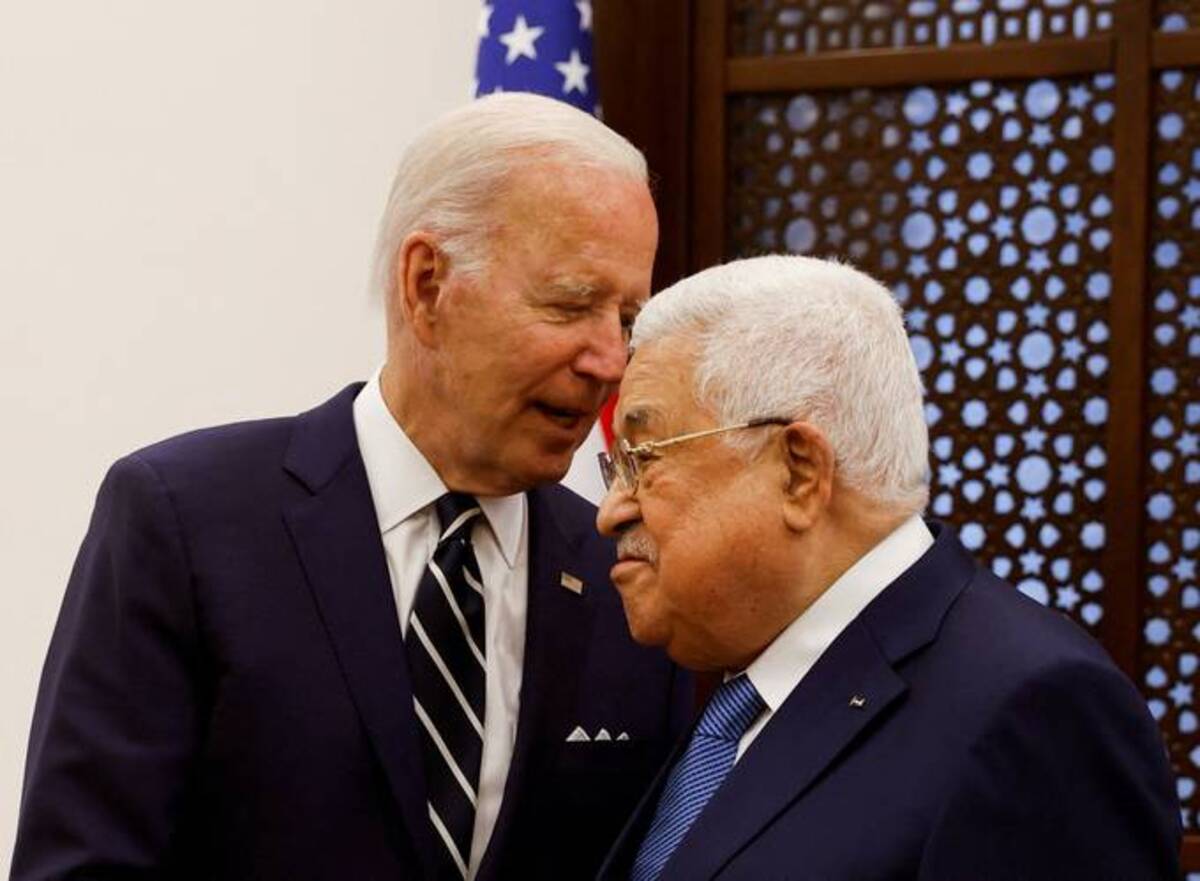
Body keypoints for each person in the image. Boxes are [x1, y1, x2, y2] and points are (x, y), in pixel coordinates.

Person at [12, 93, 691, 881]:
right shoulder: (183, 521)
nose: (610, 360)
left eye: (628, 318)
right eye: (572, 304)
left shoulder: (630, 578)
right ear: (427, 282)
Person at [593, 254, 1180, 880]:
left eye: (643, 459)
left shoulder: (1036, 713)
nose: (609, 511)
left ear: (799, 471)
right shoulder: (736, 698)